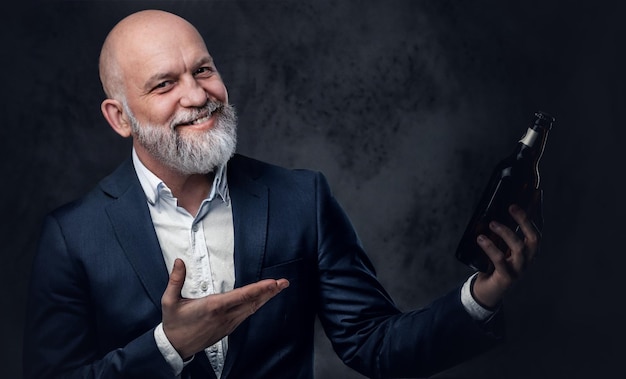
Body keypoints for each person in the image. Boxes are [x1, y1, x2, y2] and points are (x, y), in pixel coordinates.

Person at [23, 9, 540, 379]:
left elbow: (376, 346)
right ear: (119, 117)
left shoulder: (301, 199)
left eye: (203, 70)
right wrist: (169, 347)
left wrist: (481, 297)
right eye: (164, 85)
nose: (198, 96)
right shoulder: (73, 237)